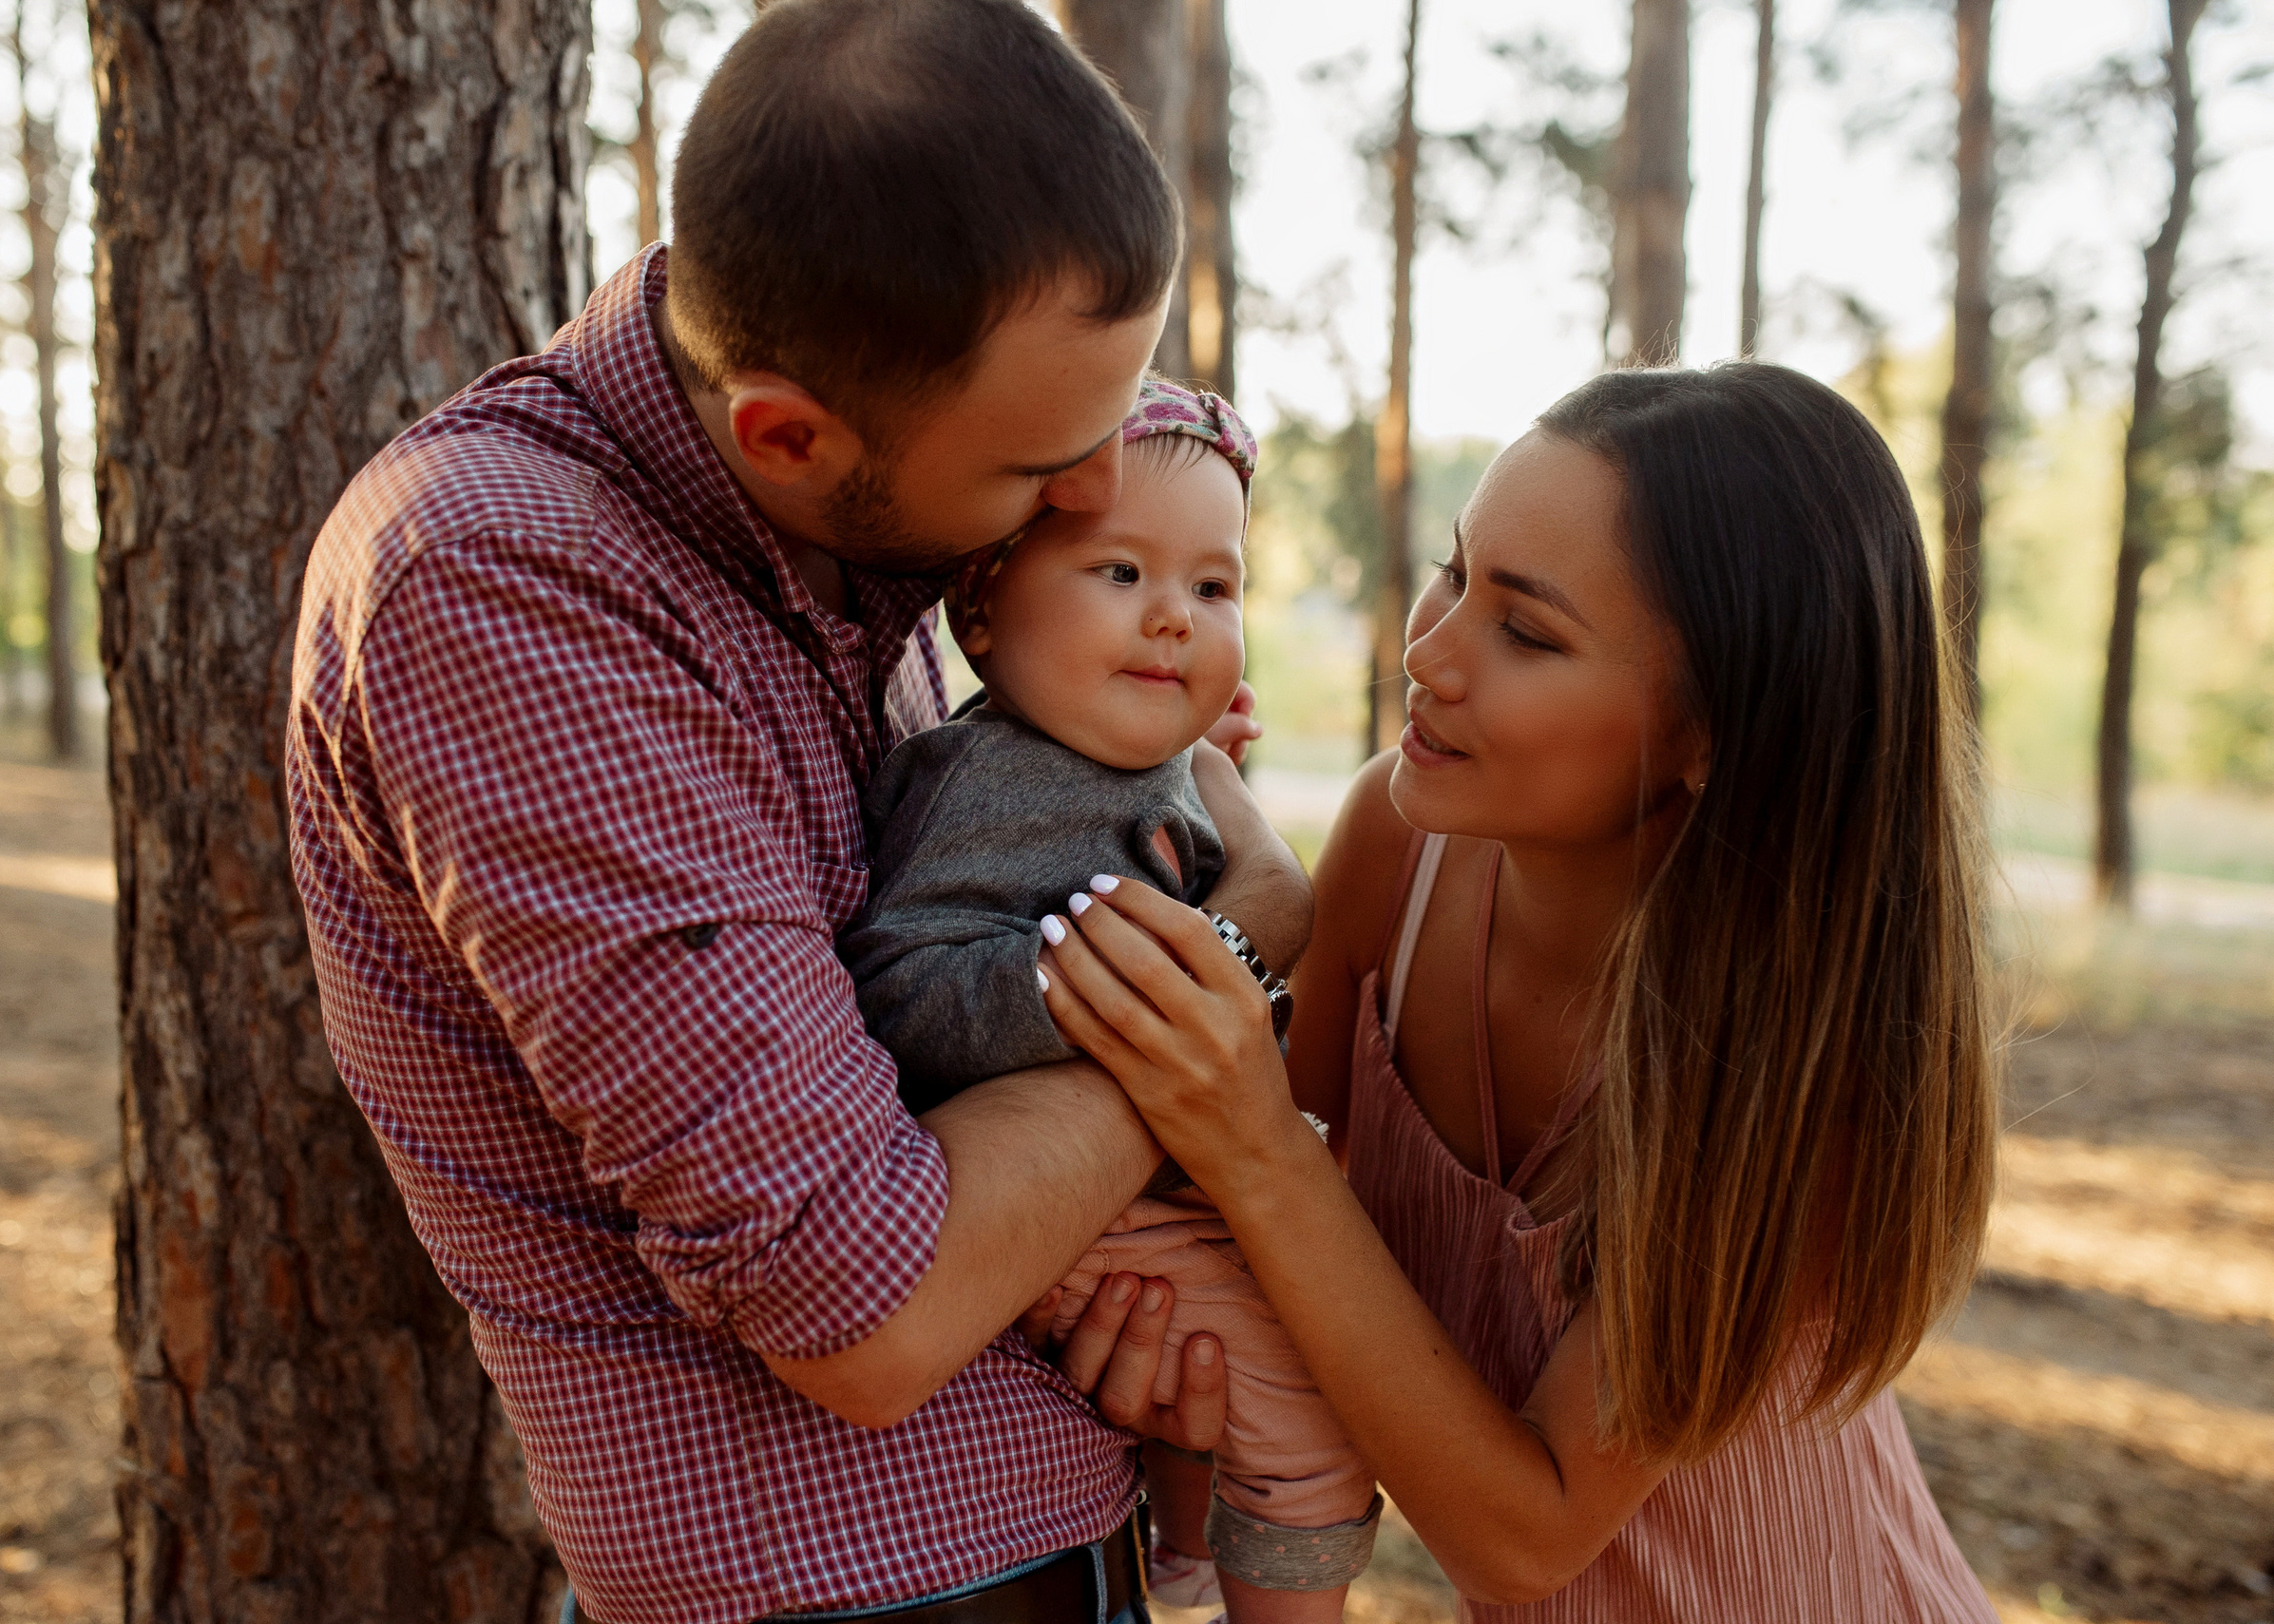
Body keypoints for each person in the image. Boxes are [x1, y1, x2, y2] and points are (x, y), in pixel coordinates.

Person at [284, 4, 1291, 1621]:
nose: (1098, 489)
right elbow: (862, 1300)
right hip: (849, 1588)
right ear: (788, 433)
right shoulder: (507, 582)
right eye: (1039, 467)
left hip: (1047, 1537)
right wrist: (1226, 975)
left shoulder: (854, 507)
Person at [1037, 364, 2003, 1619]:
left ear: (1714, 733)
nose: (1428, 653)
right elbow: (1212, 1196)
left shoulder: (1799, 1063)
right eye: (1454, 572)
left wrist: (1258, 1145)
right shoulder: (1402, 847)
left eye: (1528, 633)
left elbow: (1527, 1535)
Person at [844, 379, 1379, 1624]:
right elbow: (899, 987)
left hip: (1142, 1192)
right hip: (1086, 1208)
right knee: (1317, 1428)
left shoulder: (1107, 762)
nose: (1175, 617)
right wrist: (1086, 992)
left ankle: (1185, 1547)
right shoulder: (1001, 778)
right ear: (982, 609)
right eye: (1122, 573)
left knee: (1237, 1372)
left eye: (1215, 586)